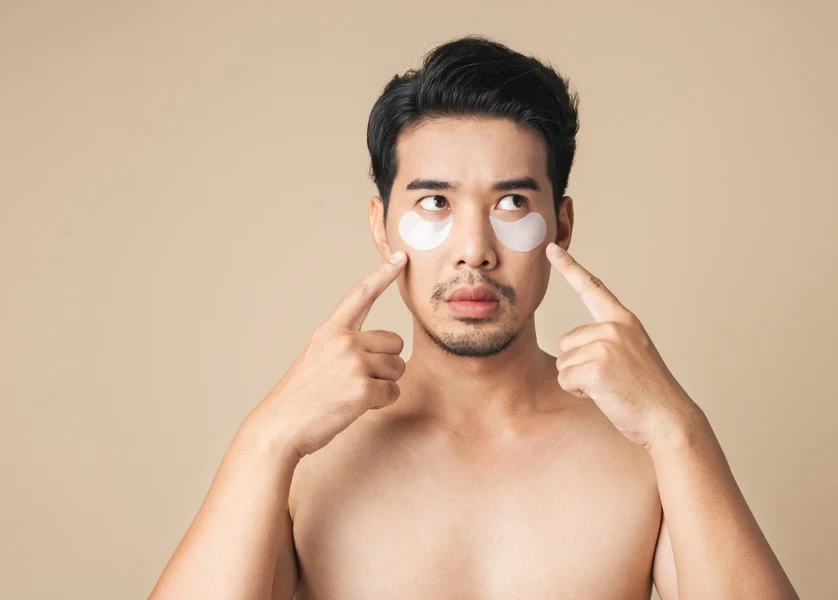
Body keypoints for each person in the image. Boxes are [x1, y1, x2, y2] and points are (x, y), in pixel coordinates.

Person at [149, 35, 798, 599]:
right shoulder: (309, 455)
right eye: (434, 202)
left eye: (512, 201)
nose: (474, 250)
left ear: (562, 224)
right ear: (381, 227)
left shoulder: (644, 452)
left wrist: (679, 428)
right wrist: (264, 439)